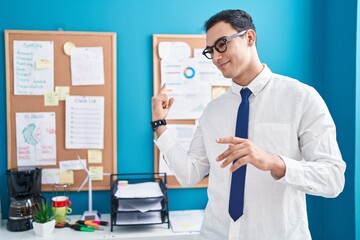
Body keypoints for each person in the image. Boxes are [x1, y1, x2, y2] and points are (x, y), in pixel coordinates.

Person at [151, 9, 346, 240]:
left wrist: (275, 162)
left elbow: (333, 179)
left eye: (221, 44)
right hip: (216, 234)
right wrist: (160, 124)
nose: (215, 57)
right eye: (210, 50)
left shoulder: (301, 98)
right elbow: (190, 174)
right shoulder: (213, 111)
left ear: (249, 38)